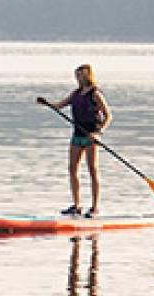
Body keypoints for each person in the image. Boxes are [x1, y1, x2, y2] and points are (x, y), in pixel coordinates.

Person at [37, 64, 112, 217]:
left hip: (91, 135)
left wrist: (99, 133)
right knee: (72, 169)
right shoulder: (76, 94)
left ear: (88, 75)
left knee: (92, 170)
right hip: (77, 135)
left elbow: (108, 116)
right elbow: (60, 105)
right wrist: (47, 104)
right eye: (77, 75)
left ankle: (95, 207)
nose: (78, 77)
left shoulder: (95, 94)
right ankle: (77, 205)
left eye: (81, 74)